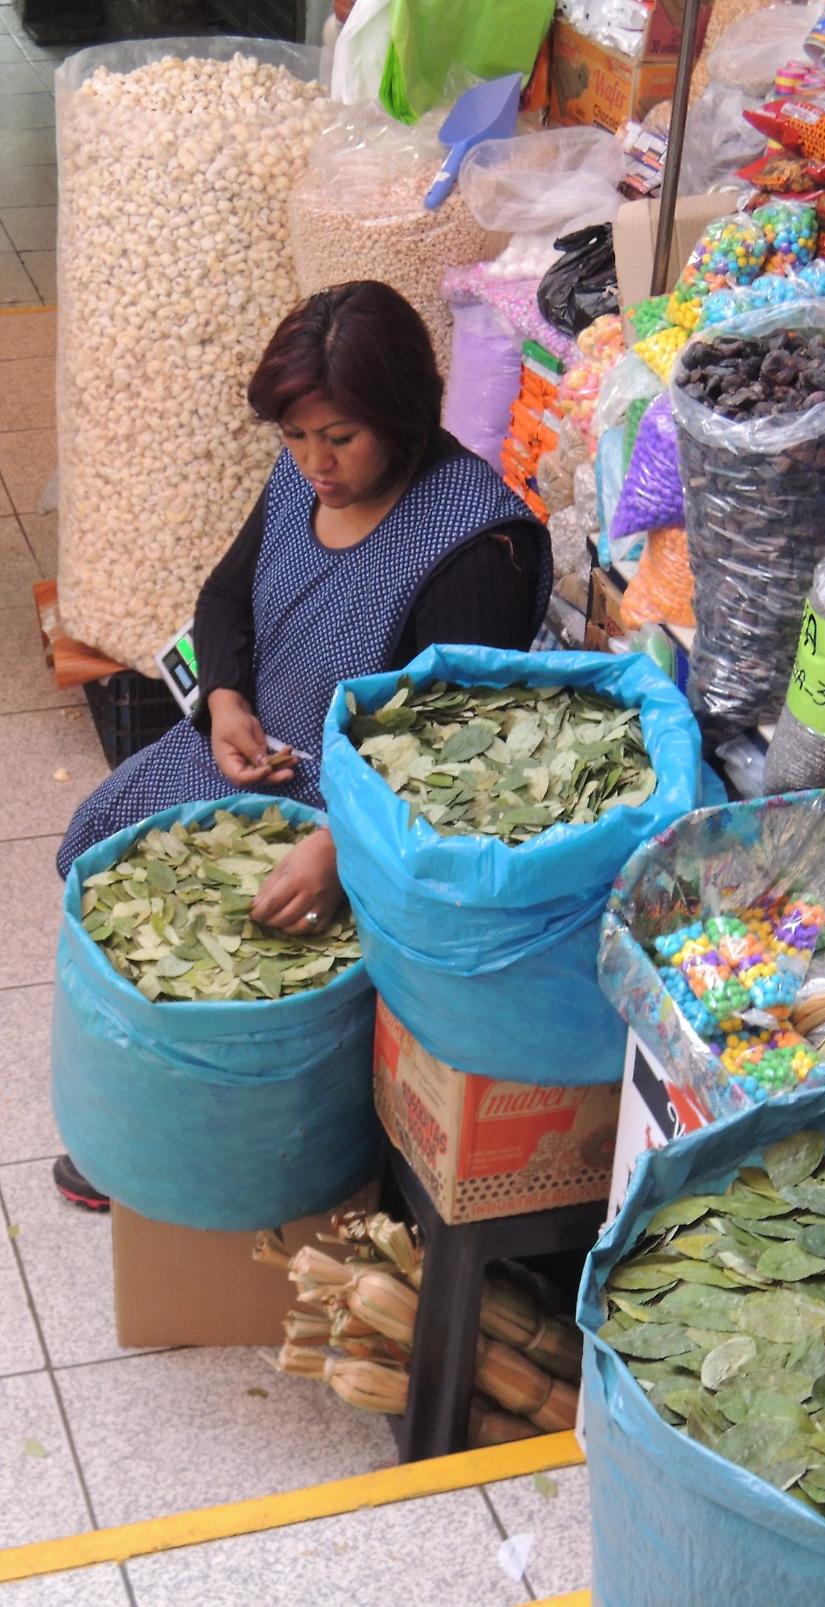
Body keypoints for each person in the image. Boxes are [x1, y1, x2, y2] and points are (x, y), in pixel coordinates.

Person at [53, 279, 552, 1209]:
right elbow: (225, 596)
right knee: (103, 844)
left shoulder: (473, 548)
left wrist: (338, 846)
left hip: (361, 813)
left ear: (401, 415)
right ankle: (137, 1118)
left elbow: (461, 756)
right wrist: (226, 701)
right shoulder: (303, 473)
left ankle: (218, 1150)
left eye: (340, 438)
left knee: (246, 962)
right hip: (248, 752)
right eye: (296, 437)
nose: (315, 462)